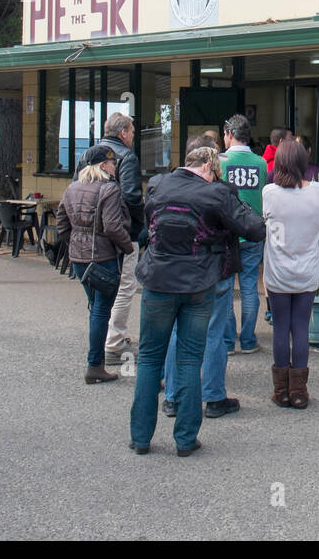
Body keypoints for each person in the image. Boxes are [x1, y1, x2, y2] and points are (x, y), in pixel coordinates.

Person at [130, 143, 265, 456]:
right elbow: (254, 228)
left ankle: (140, 438)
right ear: (209, 166)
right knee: (191, 357)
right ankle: (186, 440)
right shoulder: (216, 193)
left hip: (158, 280)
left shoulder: (158, 185)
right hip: (199, 283)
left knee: (150, 358)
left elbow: (148, 220)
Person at [157, 134, 242, 419]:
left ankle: (172, 396)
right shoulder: (222, 191)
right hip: (215, 269)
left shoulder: (165, 186)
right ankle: (214, 397)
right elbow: (243, 224)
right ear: (209, 163)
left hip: (174, 269)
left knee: (177, 331)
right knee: (214, 331)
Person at [56, 145, 134, 384]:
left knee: (95, 308)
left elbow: (61, 223)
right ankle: (94, 364)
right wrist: (128, 247)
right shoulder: (109, 189)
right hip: (102, 258)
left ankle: (96, 362)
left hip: (79, 259)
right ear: (103, 166)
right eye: (112, 163)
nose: (115, 166)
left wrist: (75, 243)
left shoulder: (72, 188)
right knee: (101, 311)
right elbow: (112, 225)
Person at [261, 139, 319, 408]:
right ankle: (299, 392)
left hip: (278, 271)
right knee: (300, 327)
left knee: (280, 327)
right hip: (308, 269)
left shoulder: (269, 193)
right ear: (303, 162)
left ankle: (281, 391)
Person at [75, 113, 143, 368]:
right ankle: (114, 342)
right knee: (125, 286)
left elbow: (75, 190)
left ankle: (106, 338)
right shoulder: (127, 157)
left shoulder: (86, 155)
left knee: (98, 290)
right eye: (133, 132)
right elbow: (133, 197)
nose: (133, 137)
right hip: (120, 234)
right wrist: (139, 229)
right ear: (123, 132)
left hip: (88, 236)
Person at [219, 114, 268, 354]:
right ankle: (248, 340)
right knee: (249, 285)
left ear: (229, 134)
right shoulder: (260, 163)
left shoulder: (221, 162)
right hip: (252, 230)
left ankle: (228, 341)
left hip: (228, 232)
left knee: (226, 286)